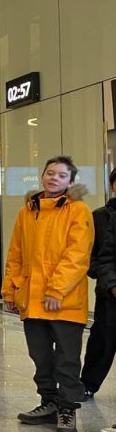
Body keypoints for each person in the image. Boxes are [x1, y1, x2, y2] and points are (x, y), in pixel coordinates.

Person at [2, 157, 93, 432]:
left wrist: (56, 290)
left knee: (67, 359)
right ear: (42, 176)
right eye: (50, 173)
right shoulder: (27, 211)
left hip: (65, 301)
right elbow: (15, 254)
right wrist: (9, 290)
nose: (54, 178)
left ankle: (67, 409)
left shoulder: (78, 210)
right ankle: (49, 402)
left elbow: (77, 256)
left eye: (62, 175)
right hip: (32, 299)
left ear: (71, 182)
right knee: (40, 356)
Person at [80, 168, 116, 401]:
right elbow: (91, 258)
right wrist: (111, 284)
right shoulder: (99, 217)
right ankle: (88, 384)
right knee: (103, 341)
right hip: (109, 293)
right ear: (112, 185)